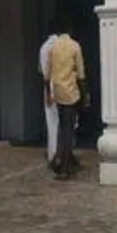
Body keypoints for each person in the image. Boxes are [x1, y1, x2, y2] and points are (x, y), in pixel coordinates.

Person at [46, 20, 88, 181]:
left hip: (57, 91)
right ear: (70, 29)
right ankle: (65, 167)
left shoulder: (53, 47)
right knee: (68, 130)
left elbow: (48, 72)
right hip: (70, 92)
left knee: (62, 126)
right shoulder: (74, 46)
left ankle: (65, 160)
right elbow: (81, 74)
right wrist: (85, 95)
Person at [38, 25, 59, 169]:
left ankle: (53, 153)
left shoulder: (44, 47)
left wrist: (48, 94)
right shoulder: (63, 45)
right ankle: (61, 153)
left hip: (50, 86)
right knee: (65, 122)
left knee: (51, 122)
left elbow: (43, 73)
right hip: (63, 86)